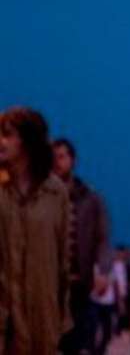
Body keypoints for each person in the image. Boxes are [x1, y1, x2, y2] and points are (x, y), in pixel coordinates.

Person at [0, 107, 71, 354]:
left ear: (27, 140)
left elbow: (62, 260)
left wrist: (62, 317)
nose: (1, 141)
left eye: (7, 134)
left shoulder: (56, 193)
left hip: (42, 318)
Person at [52, 138, 112, 355]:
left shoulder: (91, 199)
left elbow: (102, 238)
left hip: (79, 283)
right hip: (49, 284)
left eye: (61, 157)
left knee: (75, 341)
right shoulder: (42, 198)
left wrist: (103, 271)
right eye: (53, 158)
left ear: (72, 160)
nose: (57, 162)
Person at [89, 250, 127, 355]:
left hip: (108, 303)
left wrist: (121, 302)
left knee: (107, 330)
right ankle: (93, 349)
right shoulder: (95, 264)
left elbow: (119, 285)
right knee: (93, 327)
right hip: (95, 301)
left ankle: (101, 349)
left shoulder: (116, 266)